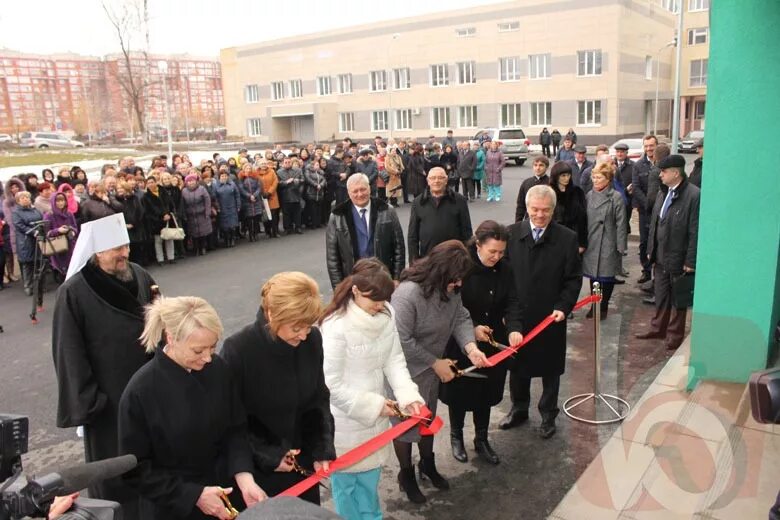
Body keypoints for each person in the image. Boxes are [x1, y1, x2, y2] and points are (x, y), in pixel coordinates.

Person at [119, 296, 266, 519]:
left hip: (226, 495)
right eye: (198, 351)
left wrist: (244, 476)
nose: (207, 358)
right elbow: (135, 469)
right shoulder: (141, 391)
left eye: (212, 347)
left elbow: (236, 429)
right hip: (174, 507)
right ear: (172, 338)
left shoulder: (218, 368)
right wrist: (193, 495)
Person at [52, 214, 158, 519]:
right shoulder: (73, 293)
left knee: (152, 460)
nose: (124, 253)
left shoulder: (139, 275)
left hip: (147, 389)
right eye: (116, 249)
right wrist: (91, 402)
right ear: (97, 252)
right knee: (114, 471)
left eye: (125, 246)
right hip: (108, 401)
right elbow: (68, 353)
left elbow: (160, 321)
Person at [320, 259, 424, 519]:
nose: (380, 306)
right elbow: (329, 384)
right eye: (374, 301)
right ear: (355, 291)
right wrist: (375, 406)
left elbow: (394, 360)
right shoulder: (335, 326)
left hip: (376, 418)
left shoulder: (386, 314)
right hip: (345, 421)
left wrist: (408, 396)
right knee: (346, 488)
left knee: (370, 481)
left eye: (383, 300)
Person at [221, 272, 336, 506]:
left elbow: (317, 398)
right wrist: (270, 454)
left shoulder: (311, 340)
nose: (304, 334)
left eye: (308, 326)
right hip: (257, 473)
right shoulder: (239, 350)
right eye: (296, 328)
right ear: (272, 315)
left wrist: (321, 446)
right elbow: (228, 419)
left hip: (301, 465)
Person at [390, 240, 488, 503]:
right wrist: (434, 362)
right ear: (440, 272)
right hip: (406, 374)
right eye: (455, 279)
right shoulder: (408, 294)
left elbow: (460, 317)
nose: (458, 285)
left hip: (432, 372)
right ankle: (406, 474)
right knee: (405, 427)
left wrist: (470, 348)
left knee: (428, 420)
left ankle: (428, 465)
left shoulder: (451, 290)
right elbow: (401, 339)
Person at [439, 221, 523, 466]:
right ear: (478, 245)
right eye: (492, 252)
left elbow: (513, 301)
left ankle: (481, 438)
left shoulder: (505, 269)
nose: (497, 257)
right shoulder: (461, 268)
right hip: (461, 339)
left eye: (501, 252)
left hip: (493, 340)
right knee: (459, 391)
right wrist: (472, 328)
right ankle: (456, 436)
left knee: (485, 393)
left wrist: (515, 329)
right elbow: (451, 307)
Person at [501, 185, 582, 438]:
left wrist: (563, 307)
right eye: (535, 209)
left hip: (550, 317)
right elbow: (503, 276)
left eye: (545, 211)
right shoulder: (511, 234)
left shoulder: (567, 238)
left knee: (550, 369)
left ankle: (548, 414)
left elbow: (573, 279)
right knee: (517, 367)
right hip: (519, 315)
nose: (539, 215)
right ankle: (519, 408)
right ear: (527, 208)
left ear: (553, 210)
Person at [635, 155, 700, 350]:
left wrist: (690, 260)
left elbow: (694, 231)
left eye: (663, 172)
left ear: (675, 172)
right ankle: (658, 328)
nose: (660, 175)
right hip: (660, 256)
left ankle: (674, 334)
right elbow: (655, 223)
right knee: (661, 294)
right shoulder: (664, 192)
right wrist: (650, 251)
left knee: (677, 299)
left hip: (679, 258)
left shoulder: (693, 196)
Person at [325, 173, 405, 288]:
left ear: (369, 188)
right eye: (355, 191)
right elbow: (333, 258)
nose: (360, 194)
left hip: (383, 277)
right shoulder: (337, 216)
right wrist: (339, 287)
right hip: (353, 281)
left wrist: (397, 277)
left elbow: (399, 247)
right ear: (349, 193)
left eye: (363, 189)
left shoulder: (387, 210)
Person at [582, 162, 627, 320]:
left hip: (608, 241)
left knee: (606, 277)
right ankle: (594, 305)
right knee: (593, 277)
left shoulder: (616, 197)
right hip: (592, 241)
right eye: (593, 177)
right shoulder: (588, 195)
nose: (595, 180)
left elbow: (621, 223)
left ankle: (603, 305)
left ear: (608, 179)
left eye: (598, 177)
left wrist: (621, 246)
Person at [407, 167, 472, 263]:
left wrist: (466, 259)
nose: (436, 181)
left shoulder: (459, 201)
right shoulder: (418, 202)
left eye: (440, 178)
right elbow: (413, 236)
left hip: (453, 259)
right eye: (433, 178)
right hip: (427, 259)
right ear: (428, 181)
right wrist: (414, 262)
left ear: (446, 180)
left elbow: (467, 233)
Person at [632, 135, 658, 284]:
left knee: (657, 241)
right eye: (646, 146)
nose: (649, 149)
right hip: (645, 211)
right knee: (644, 242)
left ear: (656, 146)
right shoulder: (638, 165)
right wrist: (648, 204)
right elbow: (636, 187)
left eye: (651, 145)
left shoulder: (661, 163)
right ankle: (646, 271)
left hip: (659, 211)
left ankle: (656, 274)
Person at [549, 161, 588, 253]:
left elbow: (583, 219)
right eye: (563, 175)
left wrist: (582, 243)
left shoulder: (577, 192)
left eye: (568, 175)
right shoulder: (549, 192)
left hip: (574, 238)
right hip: (553, 239)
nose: (566, 178)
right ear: (556, 176)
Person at [11, 191, 43, 296]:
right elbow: (19, 225)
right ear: (18, 201)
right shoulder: (16, 212)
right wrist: (33, 231)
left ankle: (39, 285)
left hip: (38, 238)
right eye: (23, 198)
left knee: (39, 262)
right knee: (27, 264)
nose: (25, 199)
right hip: (25, 241)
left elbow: (41, 219)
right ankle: (28, 286)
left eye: (27, 197)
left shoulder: (35, 210)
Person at [142, 176, 176, 266]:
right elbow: (147, 212)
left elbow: (170, 204)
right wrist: (160, 217)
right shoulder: (145, 197)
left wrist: (168, 214)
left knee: (169, 238)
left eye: (152, 182)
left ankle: (171, 257)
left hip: (168, 219)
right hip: (156, 222)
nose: (151, 184)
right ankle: (160, 259)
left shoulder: (163, 191)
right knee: (158, 241)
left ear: (156, 182)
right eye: (148, 183)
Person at [44, 192, 78, 277]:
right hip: (58, 246)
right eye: (58, 201)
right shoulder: (49, 215)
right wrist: (58, 230)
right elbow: (47, 233)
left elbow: (75, 227)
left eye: (62, 200)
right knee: (62, 271)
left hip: (70, 244)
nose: (60, 203)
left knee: (72, 269)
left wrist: (72, 231)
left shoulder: (69, 213)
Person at [116, 182, 147, 266]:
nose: (119, 190)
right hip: (123, 228)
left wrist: (133, 224)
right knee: (127, 249)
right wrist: (124, 225)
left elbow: (140, 212)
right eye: (118, 189)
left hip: (136, 227)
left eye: (121, 188)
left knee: (137, 247)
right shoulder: (116, 200)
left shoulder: (134, 198)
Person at [181, 174, 213, 255]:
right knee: (193, 233)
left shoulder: (201, 189)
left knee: (203, 232)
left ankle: (203, 247)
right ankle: (196, 248)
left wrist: (207, 212)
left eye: (192, 180)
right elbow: (183, 204)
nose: (191, 182)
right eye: (189, 181)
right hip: (191, 215)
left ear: (196, 181)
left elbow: (207, 200)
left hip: (202, 213)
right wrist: (184, 214)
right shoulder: (184, 191)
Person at [515, 155, 550, 222]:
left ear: (547, 167)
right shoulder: (526, 183)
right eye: (535, 165)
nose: (538, 168)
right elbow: (521, 205)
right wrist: (518, 222)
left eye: (541, 165)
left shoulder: (551, 183)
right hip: (529, 220)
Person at [276, 157, 305, 235]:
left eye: (289, 162)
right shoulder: (279, 172)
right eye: (286, 162)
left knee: (297, 213)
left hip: (296, 194)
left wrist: (298, 181)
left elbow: (303, 180)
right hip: (285, 195)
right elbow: (278, 183)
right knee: (286, 213)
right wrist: (286, 182)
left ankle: (298, 227)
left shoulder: (298, 170)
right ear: (282, 163)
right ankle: (287, 228)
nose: (288, 163)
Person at [214, 170, 241, 247]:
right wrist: (218, 207)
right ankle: (227, 240)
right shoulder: (216, 186)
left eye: (225, 176)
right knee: (225, 226)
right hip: (222, 208)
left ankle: (232, 239)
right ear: (219, 177)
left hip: (232, 207)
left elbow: (237, 195)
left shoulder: (232, 184)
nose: (224, 177)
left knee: (232, 225)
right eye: (222, 176)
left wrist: (238, 205)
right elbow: (215, 198)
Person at [303, 159, 327, 229]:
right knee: (312, 209)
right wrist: (316, 185)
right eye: (316, 165)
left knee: (319, 209)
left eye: (318, 165)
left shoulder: (321, 172)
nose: (318, 166)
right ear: (312, 166)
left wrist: (321, 185)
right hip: (311, 193)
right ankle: (313, 224)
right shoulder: (309, 172)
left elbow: (324, 180)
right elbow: (308, 179)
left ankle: (318, 223)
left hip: (320, 193)